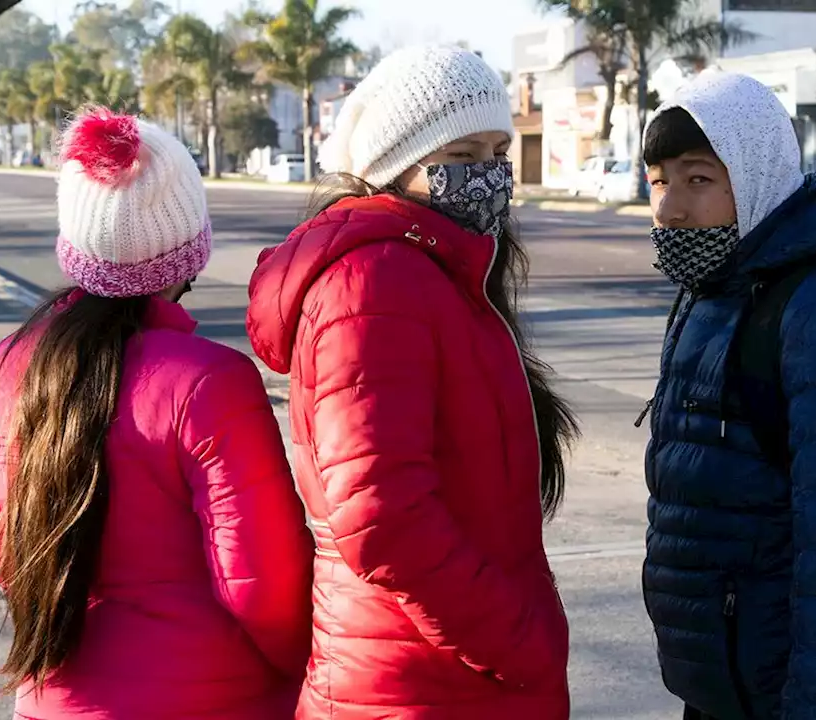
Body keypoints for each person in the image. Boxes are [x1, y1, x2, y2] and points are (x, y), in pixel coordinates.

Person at [246, 45, 577, 720]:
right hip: (419, 681)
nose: (487, 175)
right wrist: (515, 640)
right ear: (398, 167)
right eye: (459, 158)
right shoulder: (375, 283)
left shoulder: (440, 271)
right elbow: (381, 513)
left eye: (496, 151)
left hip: (444, 673)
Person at [0, 108, 313, 719]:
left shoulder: (1, 368)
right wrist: (303, 669)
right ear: (187, 250)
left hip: (54, 696)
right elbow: (260, 581)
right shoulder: (208, 380)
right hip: (211, 696)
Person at [639, 70, 816, 720]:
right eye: (658, 180)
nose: (669, 208)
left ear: (757, 175)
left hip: (800, 695)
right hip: (727, 684)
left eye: (698, 179)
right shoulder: (715, 290)